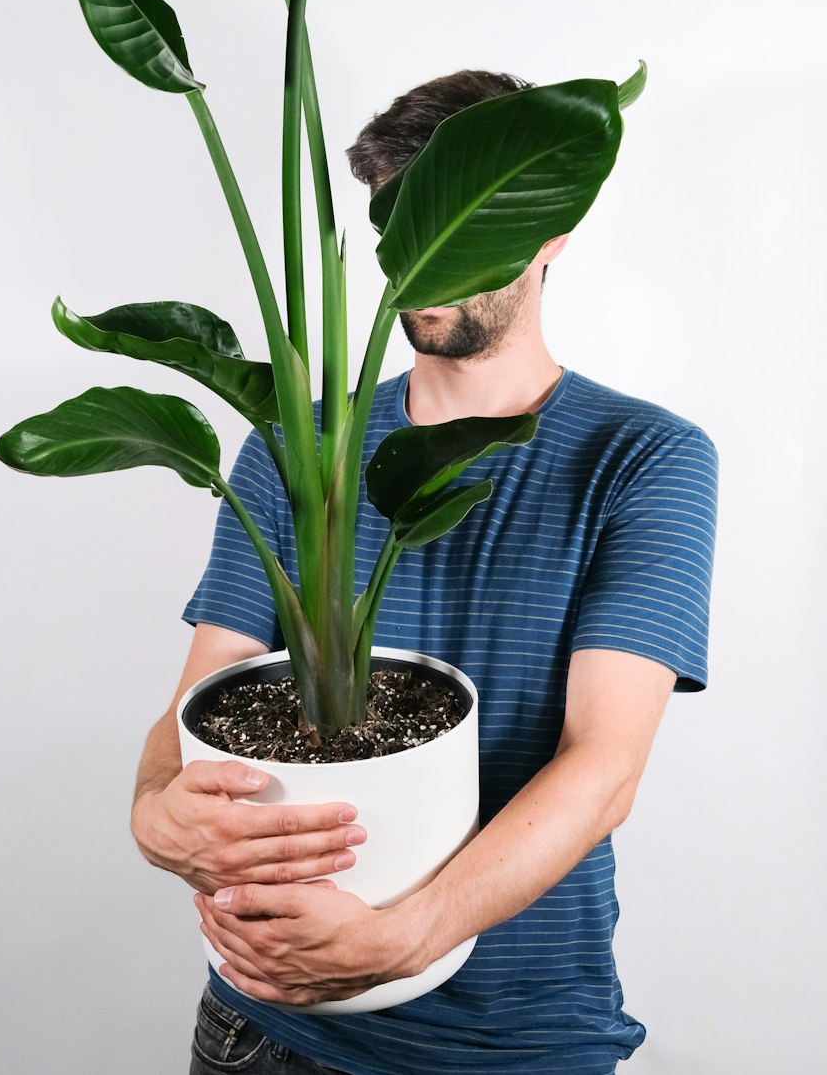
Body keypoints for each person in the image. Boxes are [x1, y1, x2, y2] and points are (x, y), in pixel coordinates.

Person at [130, 70, 719, 1075]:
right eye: (401, 235)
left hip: (508, 1040)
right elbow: (200, 701)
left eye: (460, 237)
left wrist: (409, 936)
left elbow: (602, 764)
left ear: (550, 230)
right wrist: (153, 812)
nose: (426, 274)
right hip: (261, 1026)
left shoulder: (642, 456)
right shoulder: (297, 445)